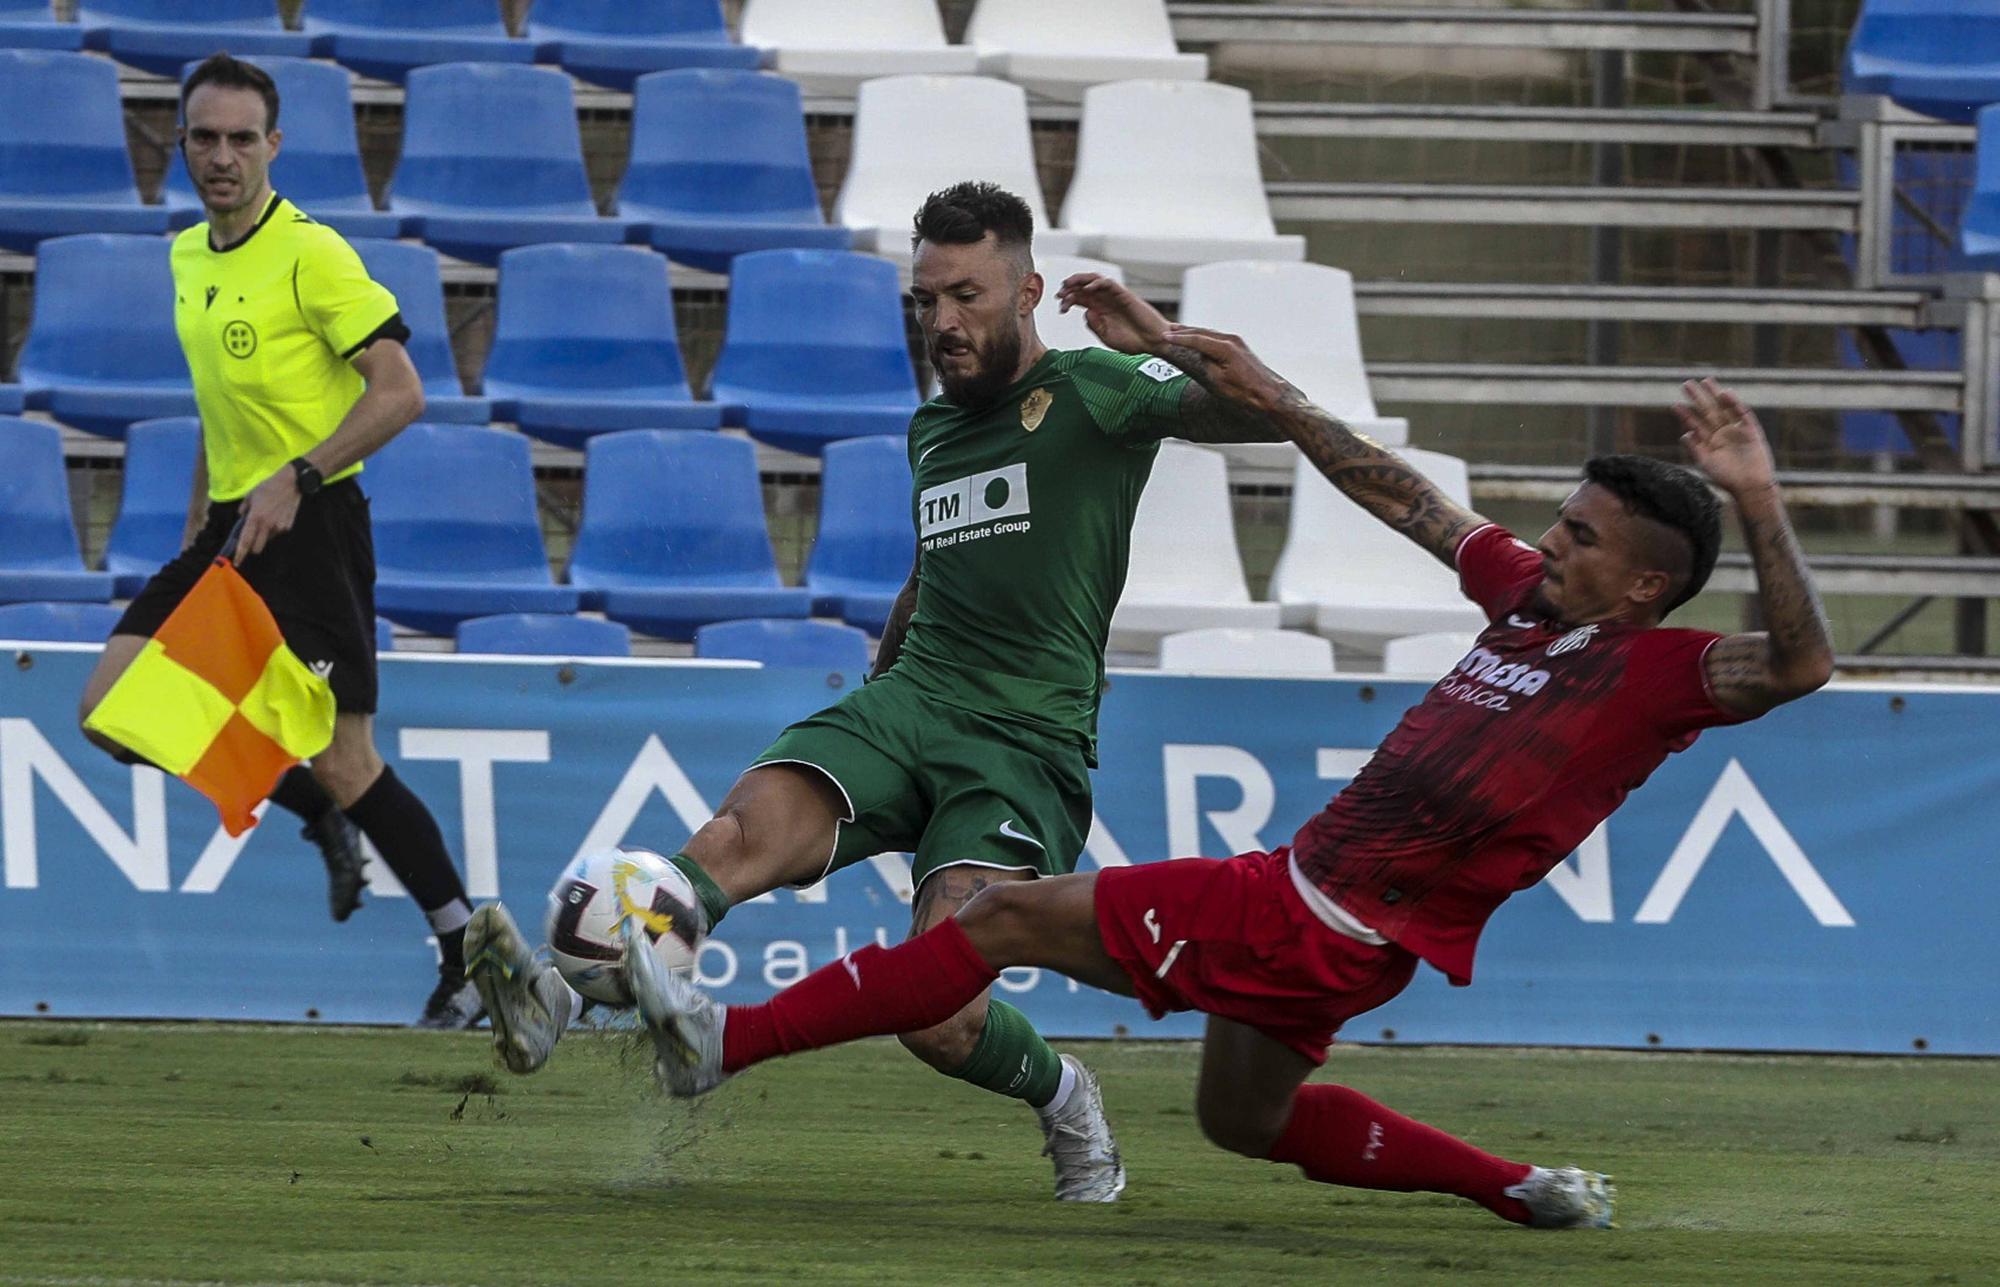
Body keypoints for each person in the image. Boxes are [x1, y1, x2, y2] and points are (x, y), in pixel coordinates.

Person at [620, 292, 1834, 1228]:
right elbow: (1397, 495)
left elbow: (1797, 664)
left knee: (993, 922)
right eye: (1559, 523)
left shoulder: (1663, 675)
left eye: (1577, 536)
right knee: (1242, 1122)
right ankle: (1516, 1187)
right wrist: (1264, 390)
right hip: (1348, 943)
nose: (1548, 541)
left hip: (1306, 909)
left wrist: (1763, 503)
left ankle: (723, 1048)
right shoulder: (1524, 599)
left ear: (1643, 584)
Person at [464, 182, 1290, 1202]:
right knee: (732, 837)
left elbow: (1266, 411)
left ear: (1028, 291)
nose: (940, 323)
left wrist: (1158, 336)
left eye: (966, 297)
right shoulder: (931, 433)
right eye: (924, 300)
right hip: (907, 704)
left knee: (933, 1006)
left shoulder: (1096, 392)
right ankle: (559, 995)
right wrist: (876, 686)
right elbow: (928, 570)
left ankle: (1066, 1095)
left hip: (1023, 743)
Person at [76, 53, 482, 1028]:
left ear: (273, 147)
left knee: (348, 755)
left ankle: (465, 954)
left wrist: (296, 478)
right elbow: (220, 413)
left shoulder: (312, 254)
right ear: (181, 144)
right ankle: (315, 816)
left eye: (241, 139)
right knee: (111, 709)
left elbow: (402, 393)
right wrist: (198, 532)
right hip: (230, 526)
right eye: (205, 138)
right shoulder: (186, 257)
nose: (222, 156)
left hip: (315, 523)